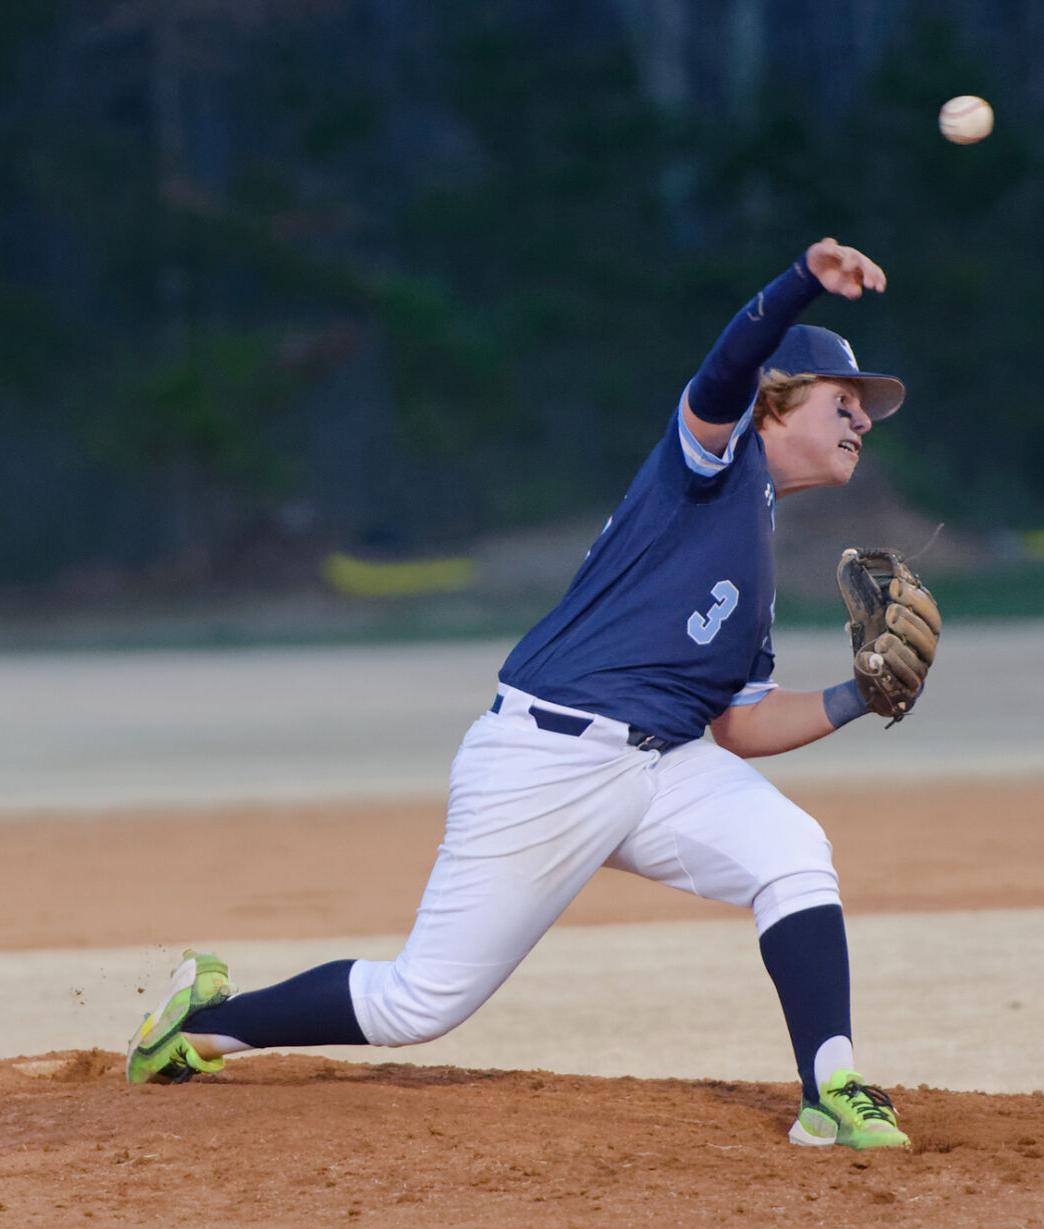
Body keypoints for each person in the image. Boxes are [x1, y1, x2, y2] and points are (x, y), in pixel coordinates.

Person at [124, 237, 941, 1152]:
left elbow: (742, 724)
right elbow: (723, 369)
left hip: (661, 765)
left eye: (867, 409)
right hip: (547, 759)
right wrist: (799, 285)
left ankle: (830, 1088)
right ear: (774, 401)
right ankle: (201, 1025)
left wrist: (856, 697)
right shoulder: (704, 469)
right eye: (845, 400)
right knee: (419, 1003)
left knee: (792, 849)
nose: (863, 420)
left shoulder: (755, 554)